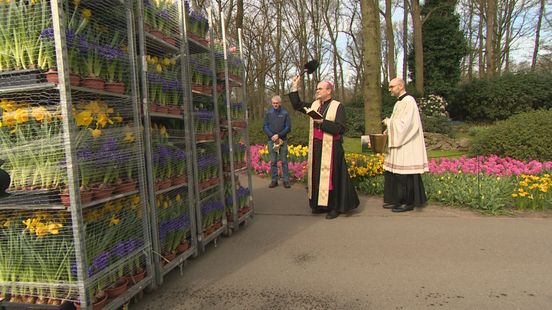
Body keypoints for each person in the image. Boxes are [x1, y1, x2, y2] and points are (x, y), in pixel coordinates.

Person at [288, 75, 359, 219]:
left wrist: (322, 122)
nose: (317, 91)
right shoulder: (314, 105)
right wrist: (294, 86)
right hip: (316, 146)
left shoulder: (338, 106)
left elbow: (340, 128)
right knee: (317, 176)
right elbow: (297, 105)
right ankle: (321, 205)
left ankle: (335, 207)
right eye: (317, 89)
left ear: (329, 90)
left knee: (332, 177)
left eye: (320, 89)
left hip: (332, 147)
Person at [382, 77, 429, 212]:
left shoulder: (409, 101)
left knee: (405, 174)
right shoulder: (398, 103)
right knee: (395, 173)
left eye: (392, 86)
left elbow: (406, 125)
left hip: (407, 143)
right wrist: (388, 128)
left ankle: (408, 202)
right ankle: (396, 200)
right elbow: (398, 121)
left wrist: (389, 122)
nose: (389, 89)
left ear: (401, 86)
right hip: (399, 142)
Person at [263, 95, 291, 188]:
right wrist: (272, 136)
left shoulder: (285, 113)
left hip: (283, 140)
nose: (275, 105)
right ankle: (274, 180)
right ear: (272, 103)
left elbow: (288, 127)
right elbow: (265, 126)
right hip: (271, 140)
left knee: (284, 161)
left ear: (280, 103)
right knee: (273, 161)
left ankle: (286, 180)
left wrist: (278, 135)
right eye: (274, 103)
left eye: (277, 103)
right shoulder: (268, 113)